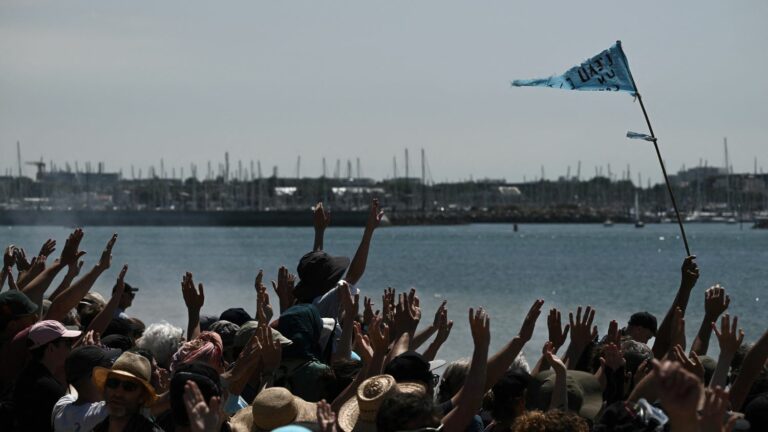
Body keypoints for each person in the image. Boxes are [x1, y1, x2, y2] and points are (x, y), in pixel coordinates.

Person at [13, 319, 81, 432]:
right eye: (68, 343)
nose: (71, 347)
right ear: (51, 348)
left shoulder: (28, 375)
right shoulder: (47, 387)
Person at [52, 345, 120, 431]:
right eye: (106, 367)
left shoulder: (61, 407)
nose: (110, 372)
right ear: (94, 377)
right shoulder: (96, 413)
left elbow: (73, 387)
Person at [92, 351, 163, 432]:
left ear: (142, 396)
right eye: (113, 383)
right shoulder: (97, 428)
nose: (118, 393)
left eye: (129, 387)